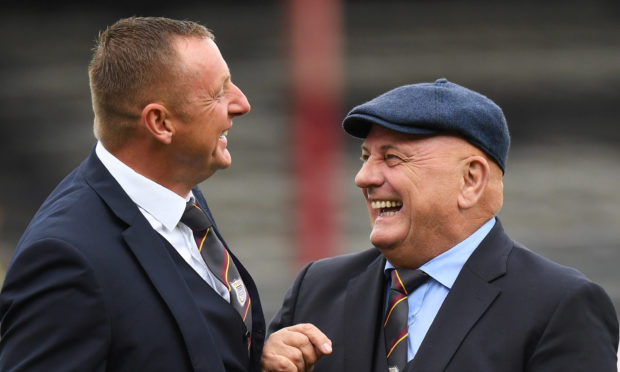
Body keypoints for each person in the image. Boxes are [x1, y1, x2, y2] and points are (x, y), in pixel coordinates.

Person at [262, 78, 619, 371]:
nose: (364, 177)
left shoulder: (560, 305)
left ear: (471, 180)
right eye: (366, 157)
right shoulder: (317, 289)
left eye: (392, 158)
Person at [0, 17, 266, 371]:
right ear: (160, 123)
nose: (242, 103)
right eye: (219, 93)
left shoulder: (182, 197)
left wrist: (256, 359)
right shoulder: (65, 257)